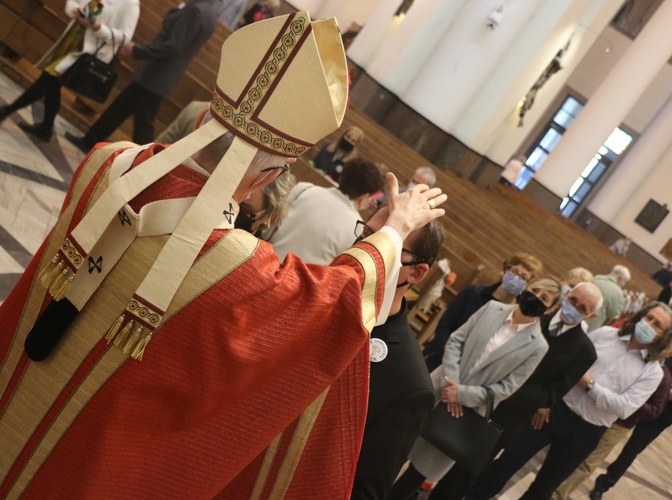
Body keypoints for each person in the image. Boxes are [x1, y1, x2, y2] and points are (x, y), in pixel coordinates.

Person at [0, 13, 447, 497]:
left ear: (199, 122)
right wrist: (395, 230)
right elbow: (331, 301)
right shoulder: (235, 267)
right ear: (268, 179)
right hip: (74, 468)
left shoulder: (106, 163)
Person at [466, 301, 672, 500]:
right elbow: (568, 365)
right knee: (506, 463)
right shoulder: (606, 335)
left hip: (587, 431)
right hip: (554, 410)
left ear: (663, 336)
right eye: (648, 318)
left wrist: (588, 384)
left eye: (657, 324)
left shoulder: (652, 373)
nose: (648, 324)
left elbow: (624, 407)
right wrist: (547, 401)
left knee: (544, 487)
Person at [386, 276, 562, 500]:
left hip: (463, 411)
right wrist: (452, 381)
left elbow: (507, 387)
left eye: (545, 297)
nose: (536, 297)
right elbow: (456, 340)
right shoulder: (492, 308)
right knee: (393, 449)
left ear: (550, 308)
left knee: (419, 470)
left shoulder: (538, 345)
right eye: (535, 289)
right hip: (438, 387)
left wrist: (461, 394)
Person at [428, 282, 603, 500]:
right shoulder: (533, 316)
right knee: (436, 446)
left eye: (582, 308)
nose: (574, 307)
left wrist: (503, 390)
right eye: (573, 300)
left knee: (464, 471)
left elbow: (551, 393)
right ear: (566, 296)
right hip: (475, 392)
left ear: (590, 316)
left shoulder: (584, 351)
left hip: (507, 414)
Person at [351, 211, 444, 500]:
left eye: (386, 245)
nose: (365, 252)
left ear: (416, 272)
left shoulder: (410, 383)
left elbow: (364, 490)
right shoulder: (312, 301)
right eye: (366, 237)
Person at [66, 0, 219, 151]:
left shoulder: (196, 10)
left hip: (158, 74)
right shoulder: (209, 11)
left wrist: (137, 50)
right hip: (159, 76)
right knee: (120, 109)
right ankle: (90, 141)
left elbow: (173, 45)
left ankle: (146, 161)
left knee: (143, 127)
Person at [589, 327, 672, 499]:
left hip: (659, 419)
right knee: (606, 434)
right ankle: (581, 462)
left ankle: (603, 484)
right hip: (638, 405)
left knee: (630, 452)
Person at [552, 335, 672, 499]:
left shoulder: (663, 377)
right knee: (571, 451)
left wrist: (631, 402)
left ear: (669, 354)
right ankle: (551, 484)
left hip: (619, 424)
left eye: (664, 347)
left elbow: (655, 410)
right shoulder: (636, 357)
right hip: (597, 413)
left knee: (589, 461)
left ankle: (558, 494)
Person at [0, 0, 139, 141]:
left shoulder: (130, 4)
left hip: (88, 52)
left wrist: (98, 27)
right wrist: (74, 9)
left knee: (48, 78)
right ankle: (46, 128)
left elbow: (124, 37)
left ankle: (7, 111)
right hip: (70, 41)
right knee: (52, 84)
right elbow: (73, 1)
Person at [421, 252, 544, 372]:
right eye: (514, 271)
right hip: (440, 355)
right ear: (506, 270)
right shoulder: (474, 292)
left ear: (527, 286)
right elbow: (445, 324)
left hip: (467, 373)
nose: (516, 278)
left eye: (523, 277)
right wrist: (449, 360)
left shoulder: (515, 315)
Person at [269, 158, 384, 265]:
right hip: (296, 283)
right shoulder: (357, 228)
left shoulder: (304, 189)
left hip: (265, 262)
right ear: (364, 196)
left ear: (341, 178)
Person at [234, 170, 295, 239]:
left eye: (243, 207)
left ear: (270, 215)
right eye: (231, 199)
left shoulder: (260, 249)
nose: (231, 210)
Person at [587, 265, 630, 331]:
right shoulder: (618, 293)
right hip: (591, 324)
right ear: (620, 278)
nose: (624, 283)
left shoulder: (596, 278)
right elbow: (613, 314)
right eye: (624, 281)